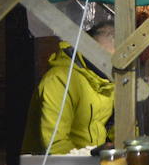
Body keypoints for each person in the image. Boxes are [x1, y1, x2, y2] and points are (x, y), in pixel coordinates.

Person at [21, 22, 116, 154]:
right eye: (102, 58)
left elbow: (115, 128)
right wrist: (90, 162)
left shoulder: (107, 81)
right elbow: (55, 144)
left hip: (92, 164)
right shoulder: (59, 80)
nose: (106, 65)